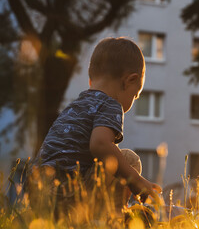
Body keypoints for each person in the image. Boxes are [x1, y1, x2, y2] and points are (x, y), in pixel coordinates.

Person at [32, 37, 161, 214]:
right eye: (135, 95)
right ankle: (111, 220)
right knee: (129, 159)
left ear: (91, 81)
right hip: (68, 197)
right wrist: (137, 181)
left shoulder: (74, 106)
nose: (132, 102)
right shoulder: (111, 104)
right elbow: (100, 145)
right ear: (129, 81)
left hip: (38, 197)